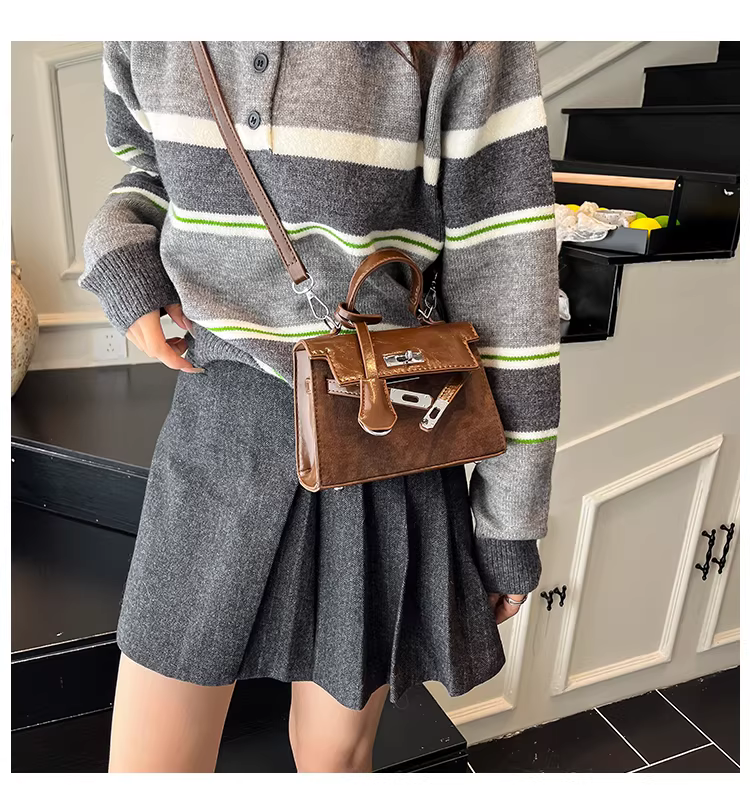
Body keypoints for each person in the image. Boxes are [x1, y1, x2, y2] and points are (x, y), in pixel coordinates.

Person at [80, 40, 560, 773]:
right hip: (221, 419)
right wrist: (119, 243)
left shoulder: (459, 34)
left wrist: (508, 523)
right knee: (149, 768)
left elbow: (509, 275)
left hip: (380, 427)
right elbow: (151, 165)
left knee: (335, 761)